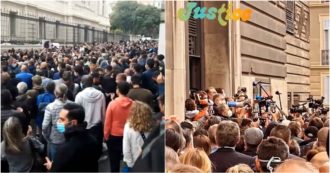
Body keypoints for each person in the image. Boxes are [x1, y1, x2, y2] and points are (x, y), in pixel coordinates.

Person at [43, 103, 101, 172]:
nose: (58, 122)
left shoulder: (65, 149)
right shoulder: (93, 140)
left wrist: (52, 167)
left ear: (73, 122)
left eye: (62, 119)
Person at [104, 81, 133, 172]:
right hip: (129, 135)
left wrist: (106, 136)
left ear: (118, 91)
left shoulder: (112, 104)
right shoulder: (134, 104)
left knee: (114, 161)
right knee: (129, 160)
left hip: (114, 135)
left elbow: (107, 122)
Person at [42, 84, 71, 161]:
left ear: (55, 93)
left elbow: (45, 126)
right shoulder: (73, 105)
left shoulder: (50, 107)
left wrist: (47, 137)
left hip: (55, 138)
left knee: (55, 163)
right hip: (70, 137)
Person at [75, 75, 106, 148]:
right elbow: (103, 112)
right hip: (97, 126)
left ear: (82, 83)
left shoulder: (79, 96)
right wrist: (104, 126)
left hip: (84, 127)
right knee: (97, 148)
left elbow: (77, 114)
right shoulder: (100, 94)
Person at [123, 101, 153, 169]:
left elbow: (126, 149)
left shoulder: (128, 127)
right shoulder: (152, 126)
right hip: (149, 163)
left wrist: (130, 164)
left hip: (135, 162)